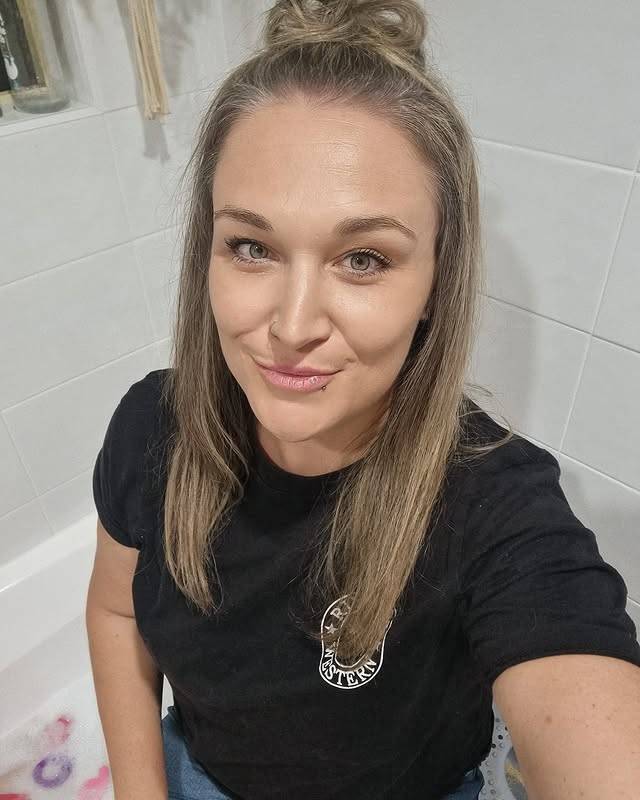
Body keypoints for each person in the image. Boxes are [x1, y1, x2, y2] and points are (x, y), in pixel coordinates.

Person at [85, 1, 640, 799]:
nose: (293, 326)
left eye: (364, 259)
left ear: (436, 283)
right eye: (252, 246)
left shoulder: (495, 506)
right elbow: (115, 615)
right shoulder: (152, 428)